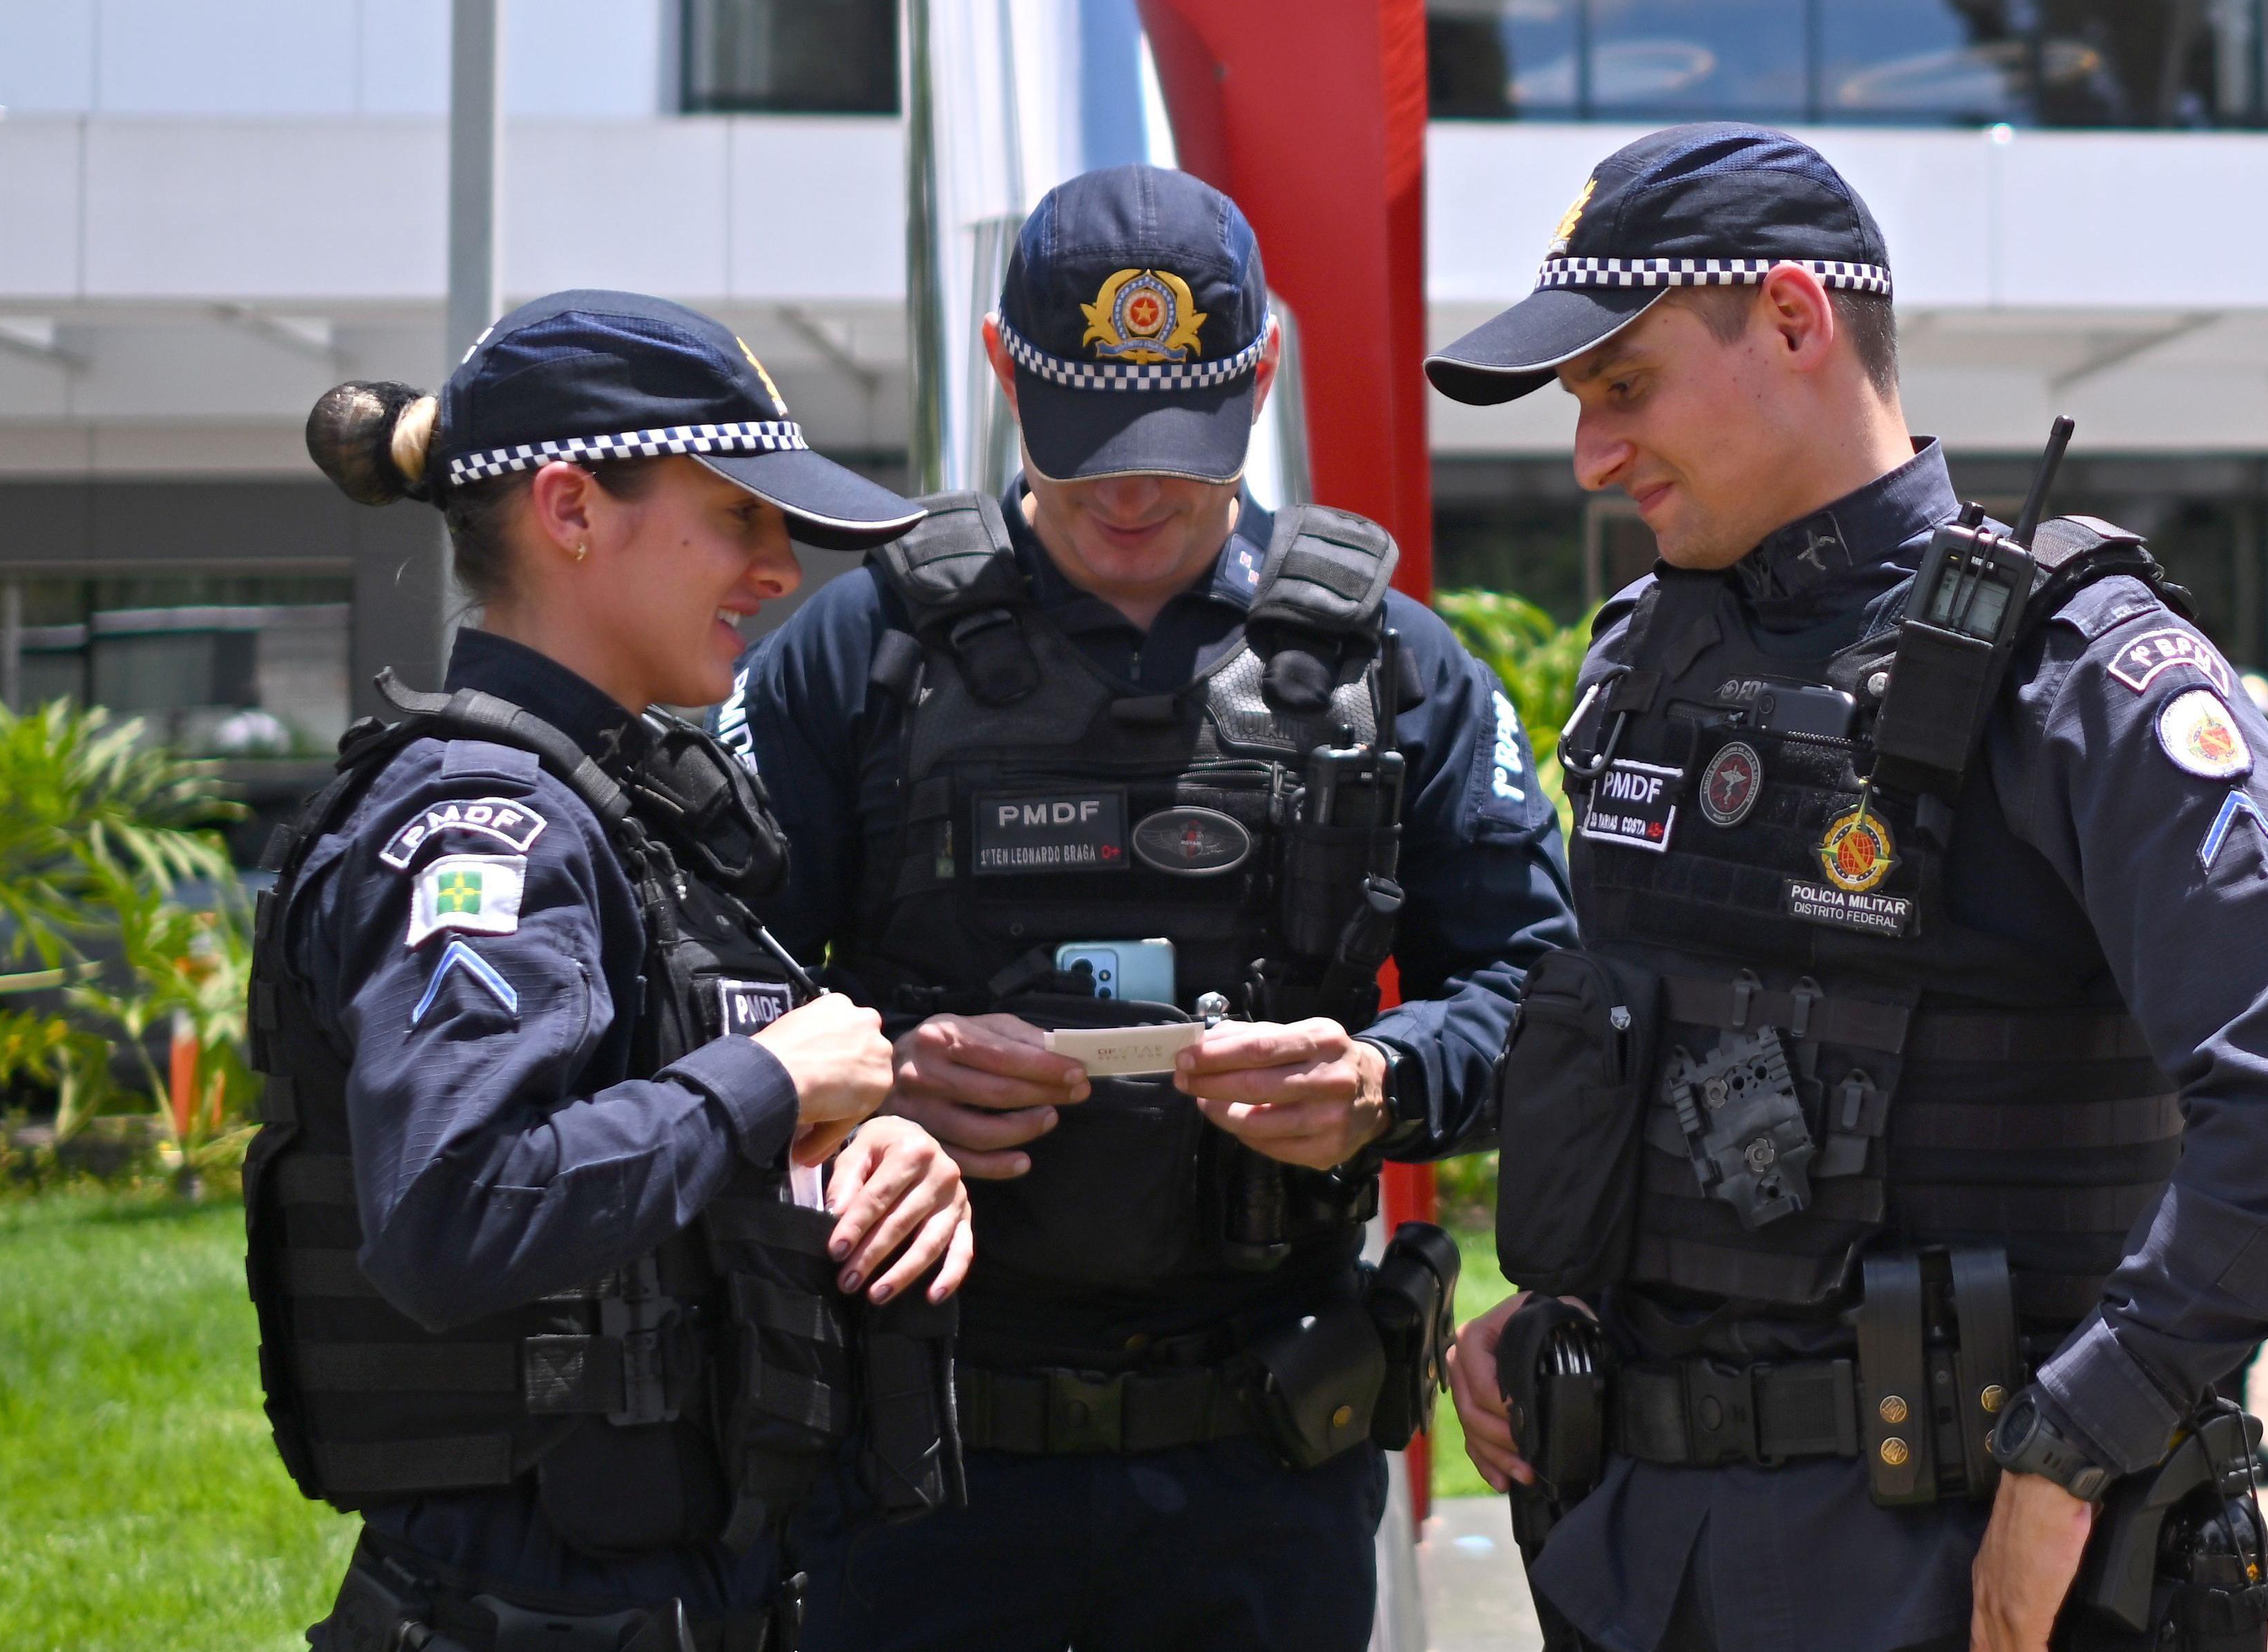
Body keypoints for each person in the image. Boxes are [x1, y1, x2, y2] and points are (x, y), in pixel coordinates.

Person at [1425, 122, 2268, 1652]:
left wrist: (2080, 1440)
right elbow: (1660, 1081)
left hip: (1967, 1580)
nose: (1591, 454)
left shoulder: (2085, 679)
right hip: (1644, 1565)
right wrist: (1563, 1321)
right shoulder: (1643, 669)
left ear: (1799, 322)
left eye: (1624, 386)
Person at [723, 164, 1579, 1652]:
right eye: (1085, 441)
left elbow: (1548, 990)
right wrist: (873, 1088)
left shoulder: (1397, 670)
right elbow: (711, 994)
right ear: (1002, 371)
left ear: (1260, 378)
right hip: (920, 1455)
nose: (1130, 489)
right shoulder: (859, 654)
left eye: (1181, 447)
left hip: (1257, 1461)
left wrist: (1385, 1079)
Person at [260, 292, 979, 1652]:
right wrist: (770, 1080)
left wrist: (860, 1151)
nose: (780, 567)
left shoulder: (626, 810)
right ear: (572, 509)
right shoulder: (487, 829)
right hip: (527, 1606)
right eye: (741, 517)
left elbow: (658, 1156)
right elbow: (455, 1207)